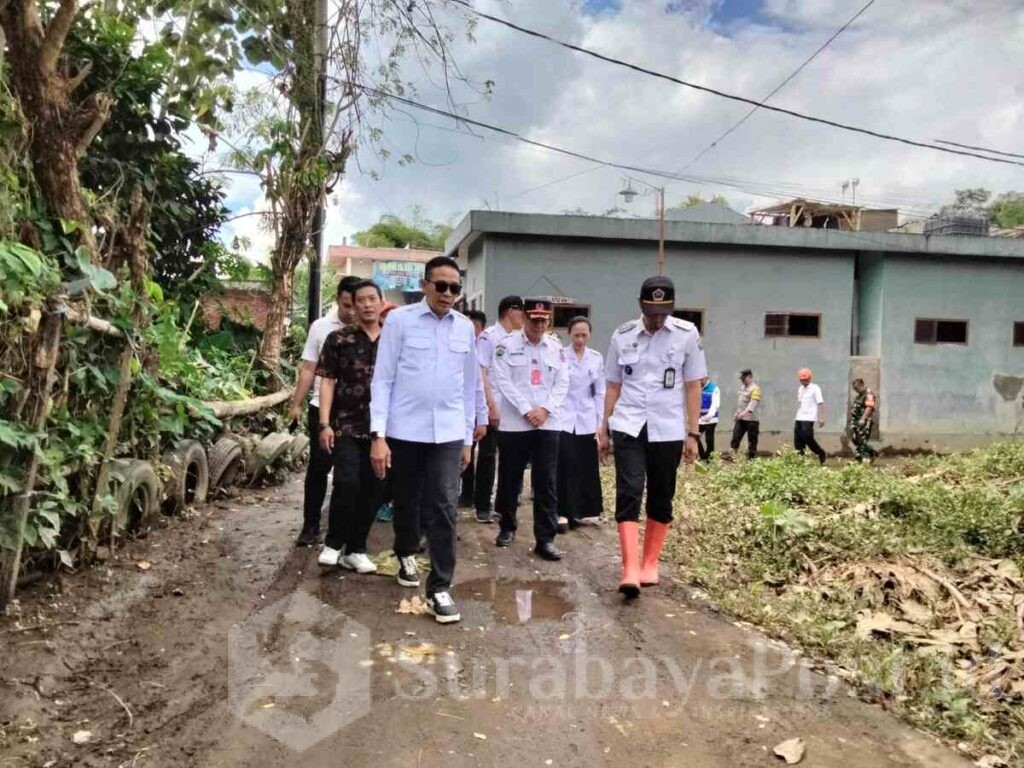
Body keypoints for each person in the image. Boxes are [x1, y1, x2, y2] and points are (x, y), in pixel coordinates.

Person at [370, 256, 479, 624]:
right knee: (407, 499)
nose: (449, 294)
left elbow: (468, 387)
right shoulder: (400, 322)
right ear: (426, 285)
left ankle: (440, 588)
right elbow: (382, 379)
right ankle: (404, 552)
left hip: (448, 432)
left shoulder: (465, 328)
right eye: (442, 286)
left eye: (455, 288)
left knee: (446, 505)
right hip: (405, 430)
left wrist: (466, 439)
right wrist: (379, 436)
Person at [600, 276, 706, 598]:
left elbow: (693, 385)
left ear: (671, 308)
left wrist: (693, 433)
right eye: (651, 312)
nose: (657, 318)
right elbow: (613, 385)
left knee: (662, 494)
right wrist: (603, 427)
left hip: (668, 428)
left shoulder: (687, 335)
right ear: (640, 306)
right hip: (629, 423)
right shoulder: (622, 336)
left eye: (663, 312)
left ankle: (650, 563)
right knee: (629, 491)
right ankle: (629, 568)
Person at [490, 298, 569, 560]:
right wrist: (526, 410)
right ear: (524, 318)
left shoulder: (556, 349)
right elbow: (502, 380)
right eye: (533, 319)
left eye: (543, 320)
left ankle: (545, 539)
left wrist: (544, 410)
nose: (538, 325)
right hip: (515, 423)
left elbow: (562, 383)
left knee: (546, 481)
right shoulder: (506, 345)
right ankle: (507, 526)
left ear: (549, 321)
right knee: (510, 478)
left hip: (548, 423)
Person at [315, 280, 384, 573]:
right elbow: (328, 380)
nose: (367, 305)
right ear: (352, 306)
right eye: (361, 300)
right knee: (347, 482)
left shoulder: (395, 339)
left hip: (383, 430)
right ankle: (333, 543)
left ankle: (356, 549)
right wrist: (324, 424)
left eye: (372, 299)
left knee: (374, 490)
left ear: (381, 303)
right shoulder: (338, 339)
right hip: (346, 424)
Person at [290, 274, 362, 546]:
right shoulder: (321, 328)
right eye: (346, 305)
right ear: (338, 301)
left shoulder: (371, 330)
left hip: (356, 413)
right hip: (321, 409)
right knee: (319, 469)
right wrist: (296, 404)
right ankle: (310, 526)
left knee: (350, 474)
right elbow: (309, 368)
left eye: (356, 305)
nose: (352, 311)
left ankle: (342, 532)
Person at [473, 296, 525, 524]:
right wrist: (490, 405)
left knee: (511, 458)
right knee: (487, 456)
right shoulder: (489, 337)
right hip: (492, 405)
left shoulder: (519, 339)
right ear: (509, 311)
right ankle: (482, 505)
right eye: (521, 311)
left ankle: (504, 505)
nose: (524, 316)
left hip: (514, 409)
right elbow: (481, 371)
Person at [556, 316, 605, 530]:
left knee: (586, 465)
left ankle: (583, 511)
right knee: (565, 464)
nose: (580, 339)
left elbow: (600, 392)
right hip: (564, 417)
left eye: (584, 335)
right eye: (576, 335)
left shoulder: (595, 358)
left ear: (589, 335)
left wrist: (600, 423)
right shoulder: (560, 356)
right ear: (570, 334)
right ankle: (562, 512)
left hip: (586, 416)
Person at [459, 310, 489, 508]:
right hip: (455, 414)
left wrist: (482, 417)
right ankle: (466, 494)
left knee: (469, 455)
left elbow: (477, 386)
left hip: (474, 413)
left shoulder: (479, 348)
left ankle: (471, 495)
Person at [795, 368, 827, 465]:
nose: (803, 381)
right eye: (801, 380)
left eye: (805, 379)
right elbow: (800, 403)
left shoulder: (815, 388)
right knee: (798, 439)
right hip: (799, 417)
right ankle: (800, 459)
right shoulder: (800, 389)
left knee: (808, 438)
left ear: (809, 378)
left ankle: (820, 452)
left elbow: (820, 403)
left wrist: (821, 417)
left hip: (809, 418)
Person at [729, 369, 761, 459]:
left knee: (752, 440)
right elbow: (741, 403)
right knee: (735, 436)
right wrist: (737, 413)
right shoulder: (742, 387)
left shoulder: (755, 389)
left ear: (750, 377)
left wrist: (744, 413)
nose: (742, 380)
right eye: (741, 379)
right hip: (741, 419)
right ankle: (732, 455)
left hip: (752, 420)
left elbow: (753, 403)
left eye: (744, 378)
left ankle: (751, 458)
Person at [848, 378, 878, 462]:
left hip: (864, 421)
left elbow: (869, 407)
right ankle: (872, 452)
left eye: (857, 388)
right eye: (854, 389)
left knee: (862, 440)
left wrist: (863, 418)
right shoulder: (860, 394)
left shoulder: (869, 393)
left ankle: (858, 460)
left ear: (861, 385)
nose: (856, 390)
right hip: (856, 421)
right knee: (856, 439)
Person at [697, 376, 720, 461]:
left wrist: (705, 417)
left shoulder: (714, 388)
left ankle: (709, 459)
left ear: (706, 378)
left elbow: (715, 406)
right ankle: (703, 456)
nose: (699, 381)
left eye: (700, 379)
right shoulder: (699, 387)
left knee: (709, 440)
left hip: (711, 419)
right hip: (700, 419)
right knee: (695, 436)